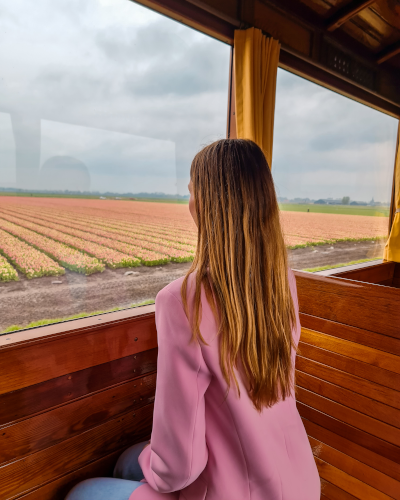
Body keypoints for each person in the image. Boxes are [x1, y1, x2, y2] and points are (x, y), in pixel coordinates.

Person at [66, 139, 320, 500]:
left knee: (82, 491)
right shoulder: (282, 283)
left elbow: (180, 467)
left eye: (191, 192)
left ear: (206, 204)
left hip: (234, 492)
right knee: (127, 461)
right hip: (298, 483)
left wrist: (156, 467)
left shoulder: (182, 302)